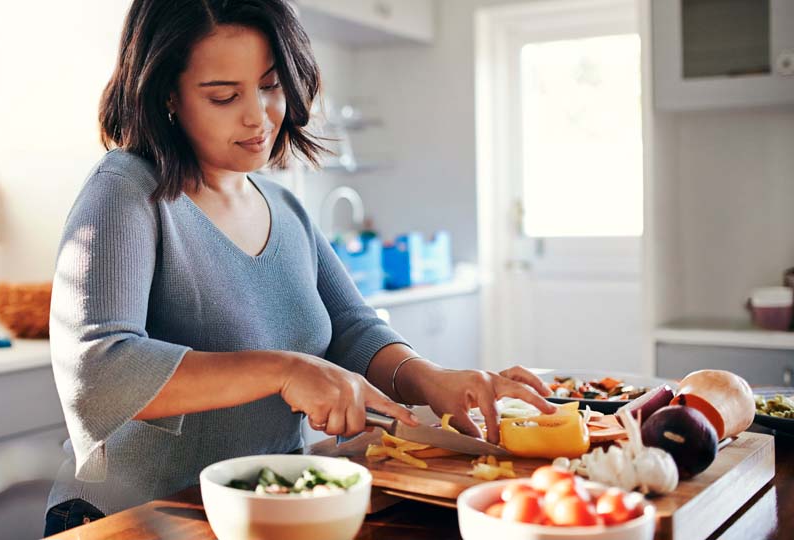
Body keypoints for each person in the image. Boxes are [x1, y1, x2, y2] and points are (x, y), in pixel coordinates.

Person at [44, 0, 556, 535]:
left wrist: (430, 379)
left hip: (265, 507)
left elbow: (354, 329)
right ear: (167, 94)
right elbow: (98, 371)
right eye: (224, 95)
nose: (258, 116)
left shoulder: (282, 205)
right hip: (136, 516)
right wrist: (285, 370)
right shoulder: (124, 191)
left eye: (270, 85)